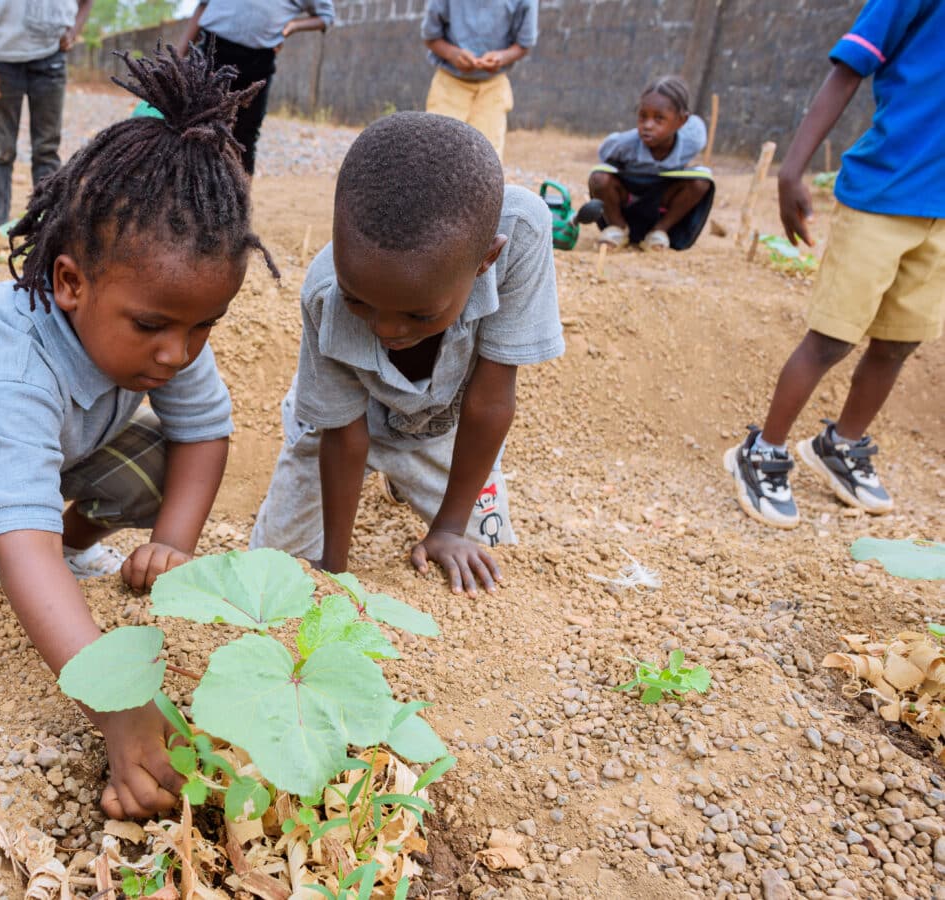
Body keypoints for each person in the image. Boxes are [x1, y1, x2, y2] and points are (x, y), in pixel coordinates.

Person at [0, 48, 276, 818]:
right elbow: (19, 550)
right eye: (155, 326)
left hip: (35, 443)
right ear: (70, 282)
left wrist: (174, 543)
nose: (178, 352)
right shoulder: (5, 369)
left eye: (204, 326)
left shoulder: (166, 328)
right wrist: (118, 706)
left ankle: (66, 539)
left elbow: (203, 436)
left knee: (158, 467)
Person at [250, 112, 563, 593]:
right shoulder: (324, 292)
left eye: (419, 315)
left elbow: (491, 399)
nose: (386, 328)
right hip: (343, 425)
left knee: (485, 559)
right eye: (359, 301)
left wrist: (449, 529)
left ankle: (408, 479)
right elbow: (343, 433)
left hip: (444, 425)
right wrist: (336, 569)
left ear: (486, 260)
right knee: (273, 572)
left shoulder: (521, 233)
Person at [723, 0, 943, 529]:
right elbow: (849, 69)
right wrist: (791, 168)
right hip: (883, 197)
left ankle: (840, 444)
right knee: (833, 337)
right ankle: (762, 451)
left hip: (941, 211)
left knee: (899, 341)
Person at [177, 0, 333, 175]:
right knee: (196, 126)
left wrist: (292, 26)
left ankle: (240, 198)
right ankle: (187, 191)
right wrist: (177, 57)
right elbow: (203, 6)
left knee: (244, 136)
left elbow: (325, 17)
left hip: (257, 62)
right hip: (212, 53)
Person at [0, 0, 93, 229]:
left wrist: (74, 30)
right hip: (4, 61)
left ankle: (47, 225)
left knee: (46, 149)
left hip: (51, 57)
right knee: (1, 149)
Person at [588, 76, 714, 251]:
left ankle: (658, 232)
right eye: (642, 116)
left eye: (659, 118)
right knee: (599, 177)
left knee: (702, 180)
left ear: (681, 121)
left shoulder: (692, 141)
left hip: (663, 200)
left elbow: (697, 125)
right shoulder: (623, 145)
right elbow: (605, 156)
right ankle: (618, 228)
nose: (647, 125)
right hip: (630, 198)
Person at [420, 0, 536, 158]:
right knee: (437, 155)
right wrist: (453, 54)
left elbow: (524, 44)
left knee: (486, 160)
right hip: (449, 85)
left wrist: (502, 57)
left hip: (492, 87)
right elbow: (430, 37)